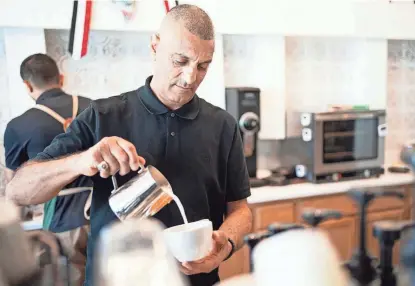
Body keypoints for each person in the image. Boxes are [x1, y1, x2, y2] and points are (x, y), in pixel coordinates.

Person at [6, 4, 253, 286]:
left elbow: (240, 211)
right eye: (180, 61)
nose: (190, 78)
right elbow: (18, 190)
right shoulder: (102, 117)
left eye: (202, 66)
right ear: (155, 46)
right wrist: (82, 160)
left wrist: (226, 243)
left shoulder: (223, 125)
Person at [3, 53, 92, 285]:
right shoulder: (94, 108)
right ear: (61, 78)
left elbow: (16, 189)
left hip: (62, 223)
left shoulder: (18, 126)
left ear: (27, 85)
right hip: (105, 210)